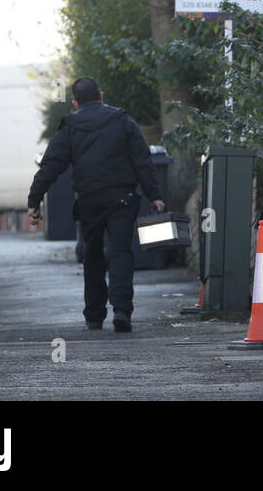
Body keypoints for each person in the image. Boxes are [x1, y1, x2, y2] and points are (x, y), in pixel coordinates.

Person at [26, 77, 165, 332]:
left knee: (92, 255)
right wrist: (154, 195)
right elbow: (142, 160)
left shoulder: (69, 126)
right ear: (101, 96)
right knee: (121, 252)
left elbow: (51, 166)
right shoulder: (123, 120)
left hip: (89, 201)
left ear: (75, 102)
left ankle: (94, 315)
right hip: (122, 199)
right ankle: (122, 310)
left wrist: (34, 201)